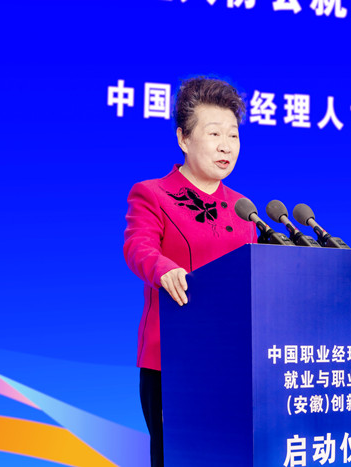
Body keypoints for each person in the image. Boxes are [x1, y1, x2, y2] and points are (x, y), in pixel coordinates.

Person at [123, 77, 257, 467]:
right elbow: (138, 246)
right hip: (173, 360)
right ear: (183, 138)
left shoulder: (245, 209)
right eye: (214, 133)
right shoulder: (152, 194)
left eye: (233, 135)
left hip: (234, 361)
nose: (226, 145)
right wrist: (163, 268)